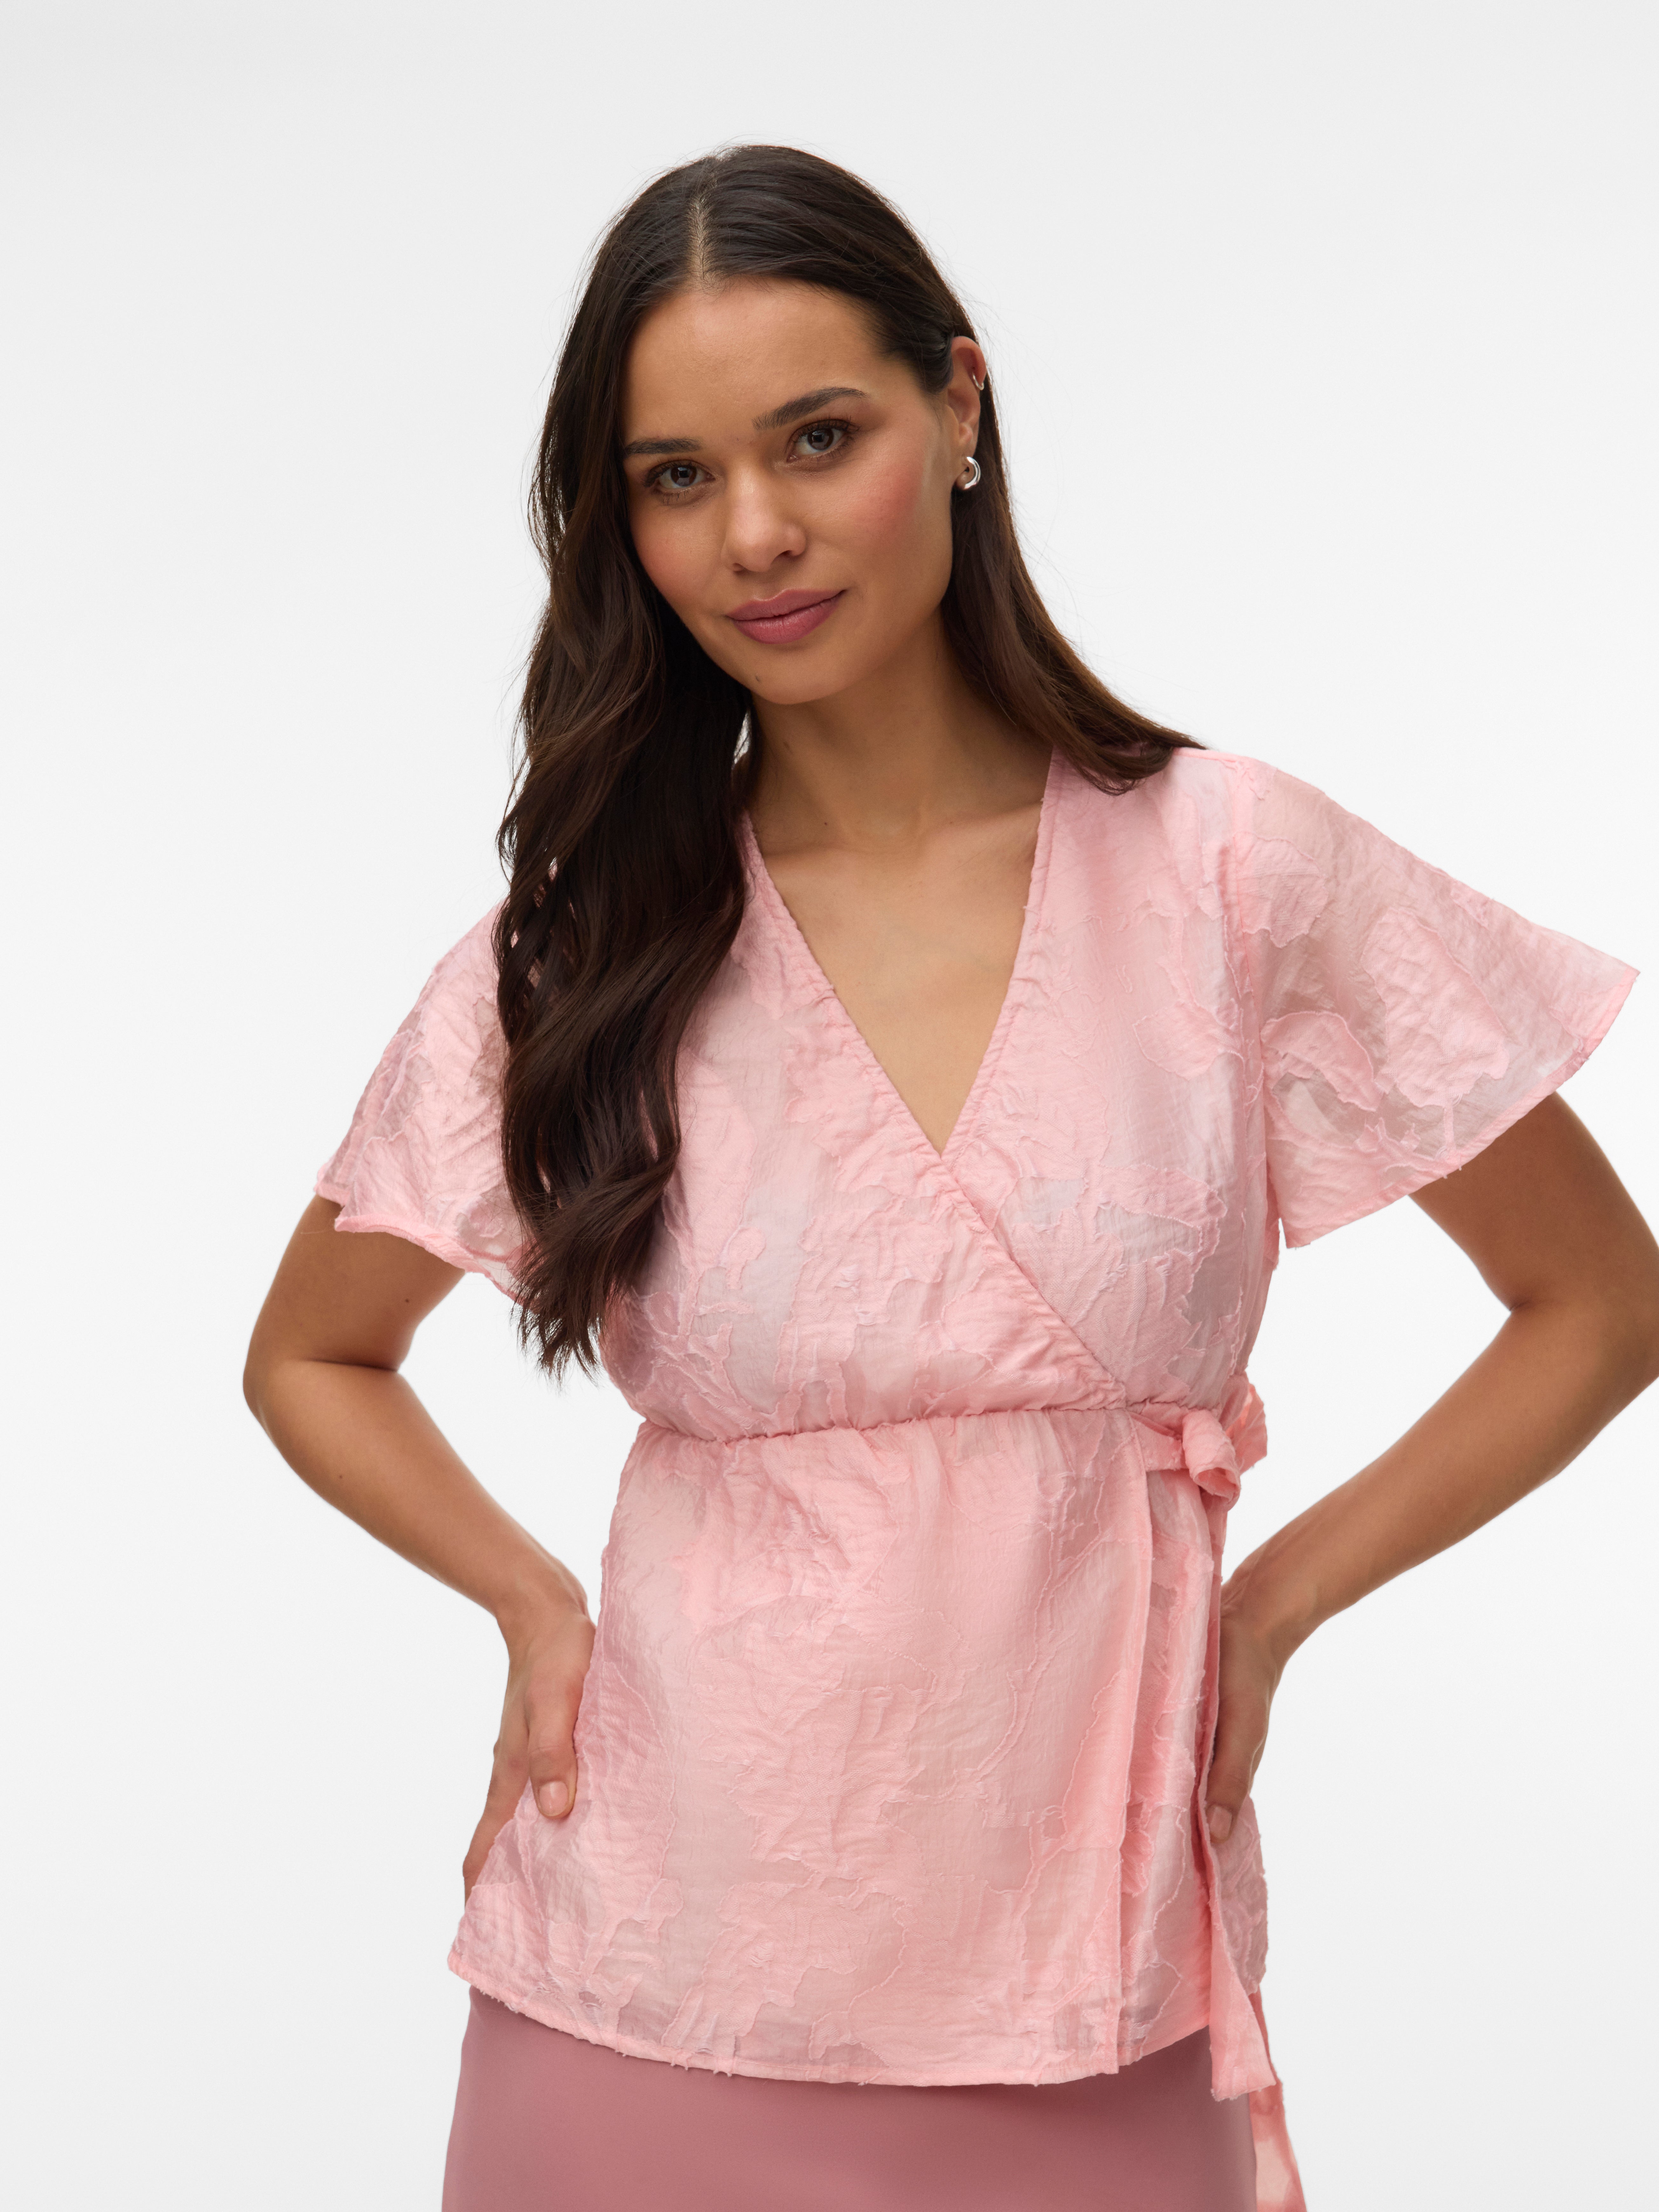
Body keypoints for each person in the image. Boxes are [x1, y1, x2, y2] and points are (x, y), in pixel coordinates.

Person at [242, 145, 1658, 2212]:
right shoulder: (587, 946)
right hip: (644, 1972)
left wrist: (1267, 1612)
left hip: (1089, 1977)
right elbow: (312, 1355)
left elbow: (1601, 1301)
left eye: (818, 439)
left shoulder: (1227, 870)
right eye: (674, 477)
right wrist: (532, 1603)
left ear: (958, 406)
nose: (754, 533)